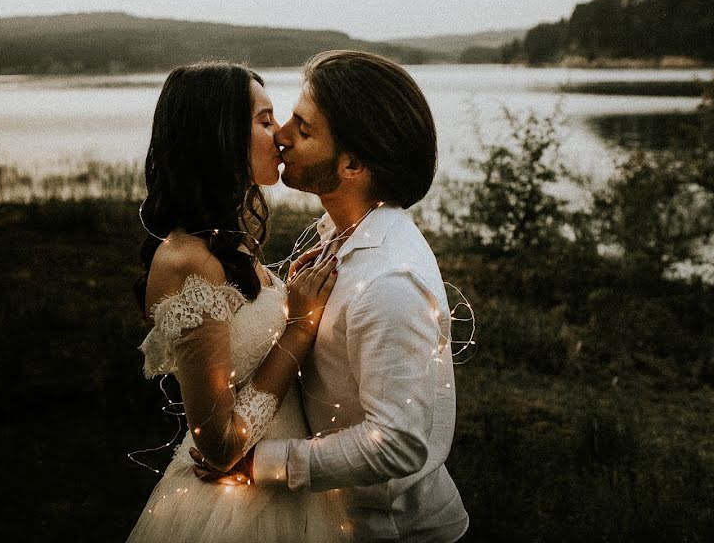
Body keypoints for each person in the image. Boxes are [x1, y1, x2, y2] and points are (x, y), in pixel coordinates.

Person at [191, 51, 469, 542]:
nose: (281, 136)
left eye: (303, 128)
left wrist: (263, 464)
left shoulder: (388, 284)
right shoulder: (336, 234)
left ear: (353, 163)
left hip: (389, 529)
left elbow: (399, 445)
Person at [126, 61, 350, 543]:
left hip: (287, 487)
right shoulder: (188, 259)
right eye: (265, 121)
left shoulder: (227, 242)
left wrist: (282, 291)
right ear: (219, 135)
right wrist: (299, 328)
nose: (282, 135)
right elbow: (219, 446)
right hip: (238, 513)